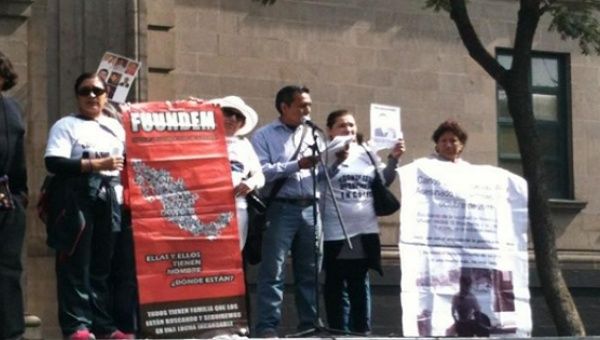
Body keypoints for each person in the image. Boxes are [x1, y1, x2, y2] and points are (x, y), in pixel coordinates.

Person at [44, 72, 131, 340]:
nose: (91, 96)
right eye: (85, 91)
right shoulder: (65, 125)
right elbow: (53, 163)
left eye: (97, 91)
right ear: (77, 96)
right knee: (75, 265)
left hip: (110, 201)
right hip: (76, 201)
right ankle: (77, 326)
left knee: (102, 267)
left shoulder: (117, 126)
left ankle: (104, 325)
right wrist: (94, 165)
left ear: (106, 95)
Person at [321, 109, 405, 334]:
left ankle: (361, 333)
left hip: (365, 231)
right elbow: (319, 181)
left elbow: (382, 181)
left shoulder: (366, 152)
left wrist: (393, 159)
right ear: (330, 130)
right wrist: (337, 161)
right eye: (341, 125)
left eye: (351, 125)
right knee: (336, 286)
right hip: (335, 233)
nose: (348, 130)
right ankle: (338, 332)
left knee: (360, 284)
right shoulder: (324, 152)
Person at [250, 85, 322, 338]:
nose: (307, 110)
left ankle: (310, 325)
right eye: (302, 105)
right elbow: (261, 172)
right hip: (280, 209)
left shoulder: (314, 134)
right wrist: (297, 165)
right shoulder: (263, 136)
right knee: (274, 270)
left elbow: (321, 176)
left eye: (309, 105)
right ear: (285, 107)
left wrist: (335, 162)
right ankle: (268, 327)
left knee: (310, 270)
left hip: (311, 209)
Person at [208, 95, 264, 249]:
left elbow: (259, 175)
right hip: (205, 209)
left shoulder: (244, 145)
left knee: (231, 256)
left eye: (238, 116)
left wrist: (250, 183)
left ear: (242, 123)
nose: (232, 118)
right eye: (228, 112)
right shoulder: (201, 140)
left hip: (237, 208)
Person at [0, 51, 28, 340]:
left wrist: (21, 195)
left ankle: (11, 333)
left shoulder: (13, 109)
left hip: (8, 202)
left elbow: (19, 158)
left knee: (8, 270)